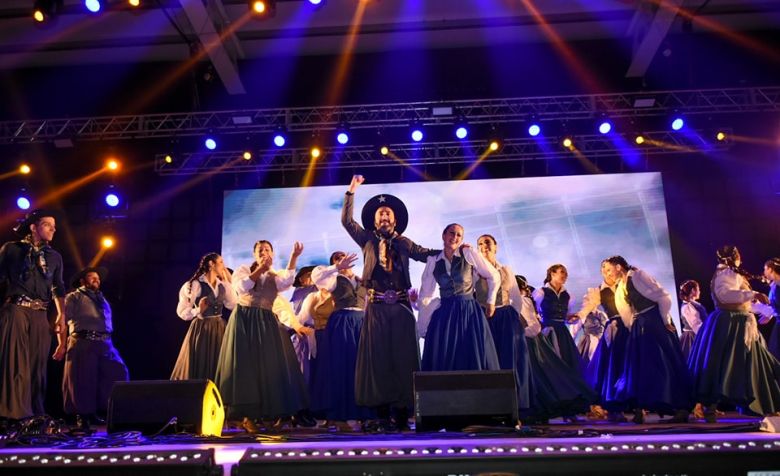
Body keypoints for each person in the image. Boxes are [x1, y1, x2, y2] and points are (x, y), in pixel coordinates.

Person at [341, 174, 437, 431]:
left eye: (388, 214)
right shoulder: (367, 240)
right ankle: (383, 416)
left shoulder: (405, 243)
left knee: (404, 360)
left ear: (395, 219)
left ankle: (404, 416)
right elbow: (347, 221)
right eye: (380, 214)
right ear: (374, 220)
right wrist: (352, 191)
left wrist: (453, 251)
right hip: (377, 308)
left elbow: (426, 254)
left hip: (403, 308)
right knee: (379, 361)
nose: (384, 217)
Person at [214, 240, 316, 429]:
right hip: (245, 319)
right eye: (260, 250)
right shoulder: (243, 269)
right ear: (254, 254)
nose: (264, 252)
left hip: (265, 321)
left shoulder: (274, 274)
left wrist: (294, 257)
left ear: (273, 253)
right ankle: (246, 417)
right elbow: (242, 287)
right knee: (245, 367)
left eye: (267, 249)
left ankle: (269, 414)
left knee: (268, 367)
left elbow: (285, 281)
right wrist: (260, 269)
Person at [689, 246, 780, 421]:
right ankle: (710, 405)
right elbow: (726, 295)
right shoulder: (726, 273)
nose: (740, 258)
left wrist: (765, 309)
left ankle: (763, 404)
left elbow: (742, 302)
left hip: (738, 320)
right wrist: (753, 293)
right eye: (738, 255)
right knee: (724, 364)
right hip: (731, 323)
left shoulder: (730, 273)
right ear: (733, 257)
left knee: (734, 363)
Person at [603, 256, 692, 423]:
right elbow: (627, 311)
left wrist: (665, 320)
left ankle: (680, 407)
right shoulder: (622, 285)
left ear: (618, 267)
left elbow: (663, 296)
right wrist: (633, 327)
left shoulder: (637, 276)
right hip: (640, 325)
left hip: (655, 321)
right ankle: (639, 408)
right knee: (639, 366)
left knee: (663, 362)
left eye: (609, 269)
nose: (608, 273)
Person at [0, 209, 67, 420]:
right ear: (33, 226)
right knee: (16, 362)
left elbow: (58, 287)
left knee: (38, 365)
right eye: (48, 224)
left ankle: (35, 414)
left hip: (40, 312)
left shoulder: (54, 256)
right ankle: (14, 414)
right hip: (17, 309)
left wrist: (61, 314)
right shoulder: (12, 249)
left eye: (54, 226)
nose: (53, 229)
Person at [418, 225, 500, 372]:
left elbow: (494, 275)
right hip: (445, 312)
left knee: (471, 351)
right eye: (451, 233)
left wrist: (491, 302)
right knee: (445, 353)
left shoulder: (467, 253)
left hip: (469, 311)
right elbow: (425, 294)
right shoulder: (434, 261)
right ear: (443, 235)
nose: (454, 237)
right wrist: (422, 326)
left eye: (459, 235)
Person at [516, 276, 596, 423]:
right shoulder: (538, 294)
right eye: (560, 272)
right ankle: (539, 410)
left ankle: (558, 407)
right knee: (543, 375)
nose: (563, 276)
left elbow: (534, 325)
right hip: (537, 337)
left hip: (540, 339)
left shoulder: (527, 300)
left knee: (554, 370)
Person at [309, 251, 372, 429]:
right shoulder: (333, 279)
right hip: (342, 323)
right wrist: (337, 267)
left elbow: (367, 303)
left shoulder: (361, 281)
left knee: (361, 368)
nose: (343, 260)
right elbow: (316, 276)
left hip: (361, 323)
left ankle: (364, 412)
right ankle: (344, 414)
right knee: (343, 367)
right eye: (338, 258)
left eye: (343, 257)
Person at [62, 267, 129, 429]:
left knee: (118, 371)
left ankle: (104, 410)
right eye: (92, 277)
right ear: (82, 281)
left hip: (105, 342)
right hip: (83, 340)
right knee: (83, 378)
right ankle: (83, 416)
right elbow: (63, 320)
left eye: (98, 278)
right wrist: (62, 344)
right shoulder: (74, 297)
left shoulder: (101, 298)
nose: (96, 280)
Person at [475, 234, 531, 412]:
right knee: (489, 361)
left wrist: (513, 316)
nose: (484, 246)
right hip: (485, 318)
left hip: (506, 317)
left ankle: (514, 405)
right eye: (481, 244)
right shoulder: (475, 270)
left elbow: (516, 297)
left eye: (488, 242)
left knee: (510, 359)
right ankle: (490, 405)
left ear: (496, 246)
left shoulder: (506, 270)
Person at [171, 253, 236, 381]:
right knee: (202, 361)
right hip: (202, 328)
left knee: (220, 361)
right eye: (221, 262)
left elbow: (233, 304)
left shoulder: (223, 285)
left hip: (220, 327)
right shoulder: (194, 285)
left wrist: (230, 281)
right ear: (212, 264)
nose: (224, 266)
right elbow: (182, 311)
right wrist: (198, 310)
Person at [582, 260, 631, 422]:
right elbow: (589, 307)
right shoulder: (598, 291)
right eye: (603, 268)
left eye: (609, 268)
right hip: (614, 329)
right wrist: (579, 316)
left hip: (629, 327)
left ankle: (636, 405)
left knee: (630, 365)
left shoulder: (624, 284)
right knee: (612, 367)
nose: (606, 271)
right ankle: (614, 407)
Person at [532, 264, 584, 373]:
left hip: (562, 332)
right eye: (562, 272)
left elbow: (565, 317)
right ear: (552, 274)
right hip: (546, 331)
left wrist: (571, 317)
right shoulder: (540, 292)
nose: (565, 275)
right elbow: (534, 313)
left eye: (566, 273)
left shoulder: (568, 295)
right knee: (549, 361)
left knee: (567, 360)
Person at [678, 280, 708, 360]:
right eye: (698, 289)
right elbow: (695, 324)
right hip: (693, 337)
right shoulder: (687, 306)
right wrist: (705, 336)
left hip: (697, 333)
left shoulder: (693, 304)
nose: (699, 291)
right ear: (693, 290)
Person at [763, 258, 780, 361]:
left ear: (770, 269)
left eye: (765, 269)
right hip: (778, 322)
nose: (764, 272)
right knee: (774, 351)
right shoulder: (774, 286)